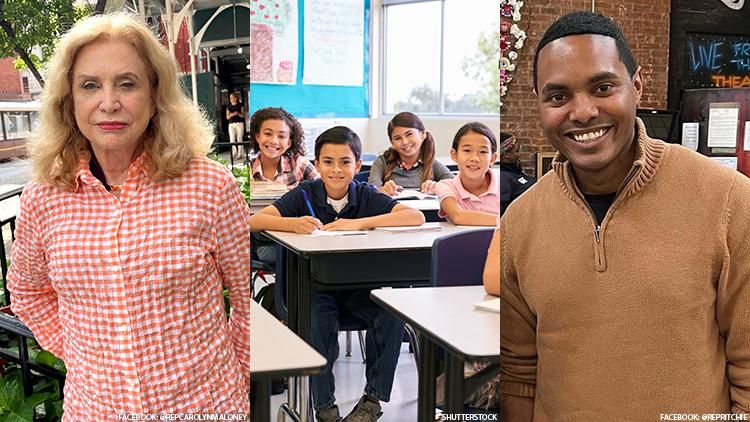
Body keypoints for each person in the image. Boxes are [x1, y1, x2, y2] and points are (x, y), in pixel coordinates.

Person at [500, 11, 750, 421]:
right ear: (539, 103)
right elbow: (519, 373)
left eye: (602, 87)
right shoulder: (521, 220)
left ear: (637, 85)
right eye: (558, 96)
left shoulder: (727, 201)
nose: (581, 112)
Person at [7, 13, 251, 420]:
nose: (109, 102)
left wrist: (237, 379)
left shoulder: (209, 186)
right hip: (95, 411)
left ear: (155, 95)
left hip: (206, 408)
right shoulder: (43, 198)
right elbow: (28, 292)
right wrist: (86, 354)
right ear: (69, 101)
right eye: (89, 85)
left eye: (127, 83)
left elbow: (247, 301)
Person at [250, 126, 425, 422]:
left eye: (345, 162)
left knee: (391, 314)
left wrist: (357, 224)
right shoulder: (306, 192)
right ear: (317, 165)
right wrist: (294, 224)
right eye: (328, 162)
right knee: (318, 319)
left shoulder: (365, 194)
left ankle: (372, 400)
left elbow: (415, 216)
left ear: (358, 166)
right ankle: (324, 407)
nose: (336, 169)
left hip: (362, 291)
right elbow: (255, 220)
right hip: (317, 290)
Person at [368, 111, 453, 196]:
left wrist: (437, 186)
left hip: (424, 208)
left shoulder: (432, 164)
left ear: (423, 134)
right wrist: (381, 190)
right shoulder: (382, 162)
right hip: (393, 208)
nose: (404, 142)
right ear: (392, 143)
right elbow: (371, 191)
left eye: (409, 134)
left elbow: (455, 186)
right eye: (397, 138)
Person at [434, 122, 499, 226]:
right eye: (467, 150)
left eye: (483, 152)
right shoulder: (446, 186)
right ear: (454, 155)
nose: (475, 158)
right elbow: (458, 216)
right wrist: (505, 222)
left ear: (493, 158)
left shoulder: (505, 185)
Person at [248, 106, 319, 185]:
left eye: (281, 136)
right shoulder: (248, 169)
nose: (274, 141)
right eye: (268, 134)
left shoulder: (300, 164)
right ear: (257, 137)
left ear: (289, 143)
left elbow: (323, 190)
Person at [498, 132, 536, 215]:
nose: (519, 155)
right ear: (506, 154)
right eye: (517, 151)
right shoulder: (503, 178)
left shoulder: (515, 172)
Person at [226, 92, 245, 160]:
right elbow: (227, 117)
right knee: (232, 139)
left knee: (239, 138)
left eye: (232, 98)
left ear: (235, 98)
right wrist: (232, 114)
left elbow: (243, 115)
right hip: (231, 124)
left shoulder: (240, 105)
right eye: (230, 98)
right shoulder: (228, 106)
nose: (231, 99)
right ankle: (234, 153)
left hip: (239, 123)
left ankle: (240, 154)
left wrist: (238, 113)